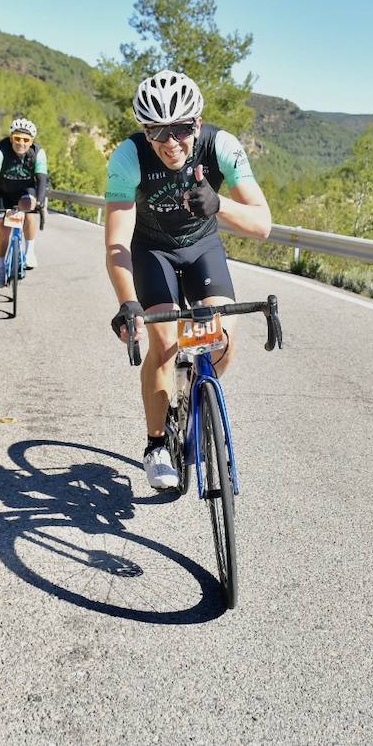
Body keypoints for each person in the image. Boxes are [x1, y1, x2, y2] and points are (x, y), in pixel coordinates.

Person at [103, 70, 272, 489]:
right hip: (151, 250)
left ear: (197, 123)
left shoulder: (222, 147)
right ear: (145, 132)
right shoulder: (129, 157)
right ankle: (157, 443)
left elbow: (263, 224)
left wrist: (219, 205)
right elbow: (117, 244)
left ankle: (197, 397)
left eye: (181, 128)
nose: (171, 141)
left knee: (222, 343)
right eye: (158, 131)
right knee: (164, 342)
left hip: (202, 248)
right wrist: (129, 303)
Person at [0, 117, 48, 287]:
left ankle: (30, 251)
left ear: (31, 141)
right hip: (2, 191)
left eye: (26, 140)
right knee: (4, 230)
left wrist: (40, 202)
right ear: (11, 138)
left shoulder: (38, 152)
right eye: (18, 139)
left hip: (25, 191)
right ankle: (0, 267)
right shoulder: (1, 150)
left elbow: (42, 179)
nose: (21, 143)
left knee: (29, 211)